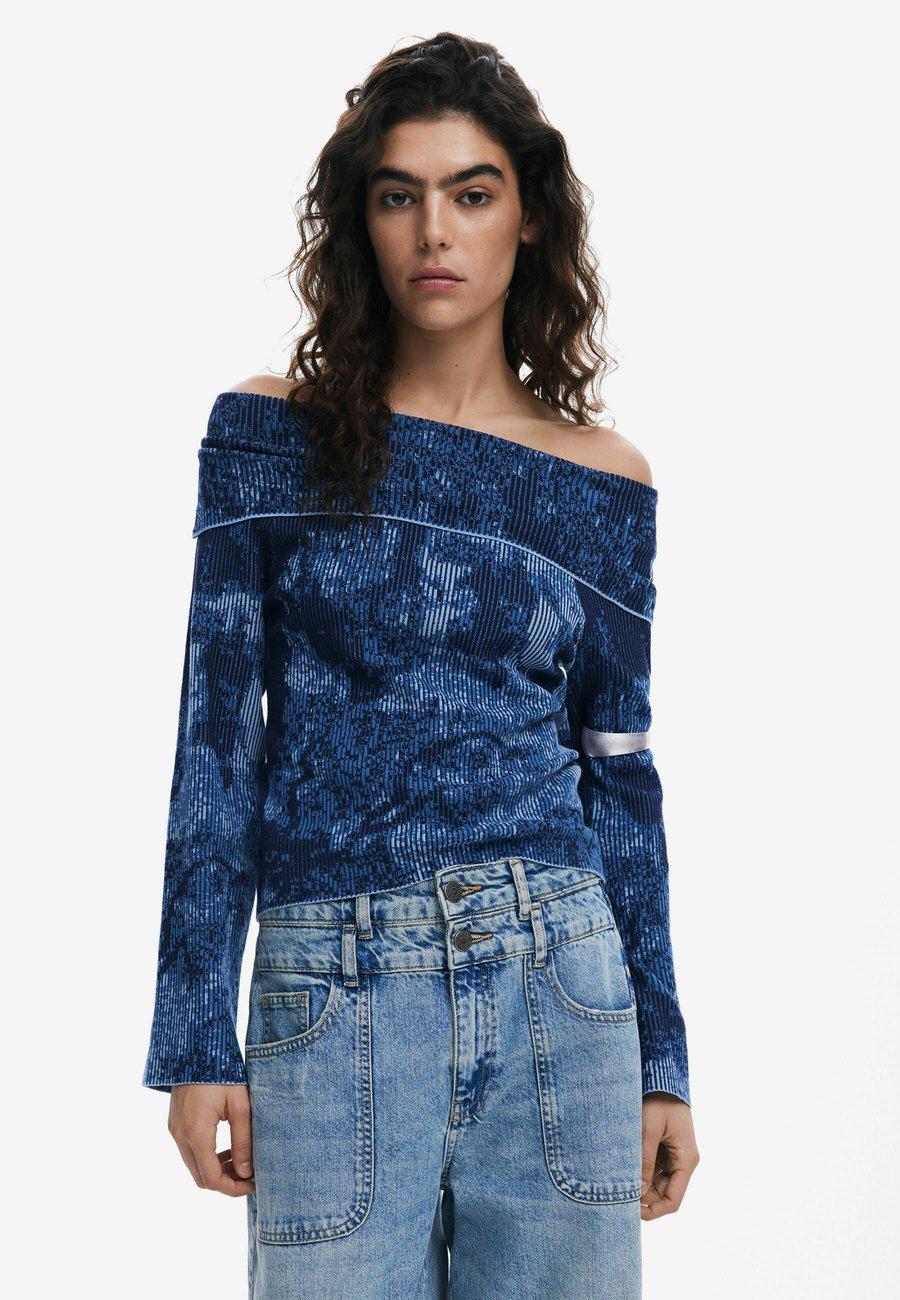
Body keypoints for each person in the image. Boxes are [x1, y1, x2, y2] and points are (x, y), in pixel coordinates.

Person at [142, 31, 699, 1299]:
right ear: (362, 221)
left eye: (472, 192)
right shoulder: (268, 434)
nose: (434, 231)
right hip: (333, 995)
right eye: (399, 195)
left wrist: (664, 1058)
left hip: (562, 986)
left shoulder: (604, 481)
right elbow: (216, 734)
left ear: (529, 218)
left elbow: (620, 774)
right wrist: (193, 1034)